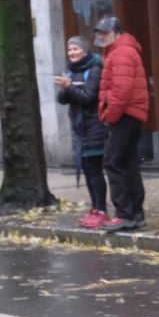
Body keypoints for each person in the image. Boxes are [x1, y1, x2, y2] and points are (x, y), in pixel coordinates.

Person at [94, 15, 148, 232]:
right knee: (128, 163)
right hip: (130, 113)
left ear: (117, 32)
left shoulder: (122, 52)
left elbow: (121, 90)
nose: (101, 37)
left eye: (105, 33)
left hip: (124, 114)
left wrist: (111, 114)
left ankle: (125, 214)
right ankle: (135, 213)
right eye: (100, 33)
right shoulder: (122, 50)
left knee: (113, 162)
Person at [53, 36, 108, 228]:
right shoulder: (71, 70)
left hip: (94, 127)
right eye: (69, 50)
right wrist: (63, 88)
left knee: (95, 170)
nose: (72, 53)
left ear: (85, 51)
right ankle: (94, 208)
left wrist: (69, 88)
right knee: (87, 170)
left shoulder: (95, 69)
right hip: (78, 129)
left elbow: (89, 97)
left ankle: (102, 210)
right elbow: (63, 100)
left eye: (76, 49)